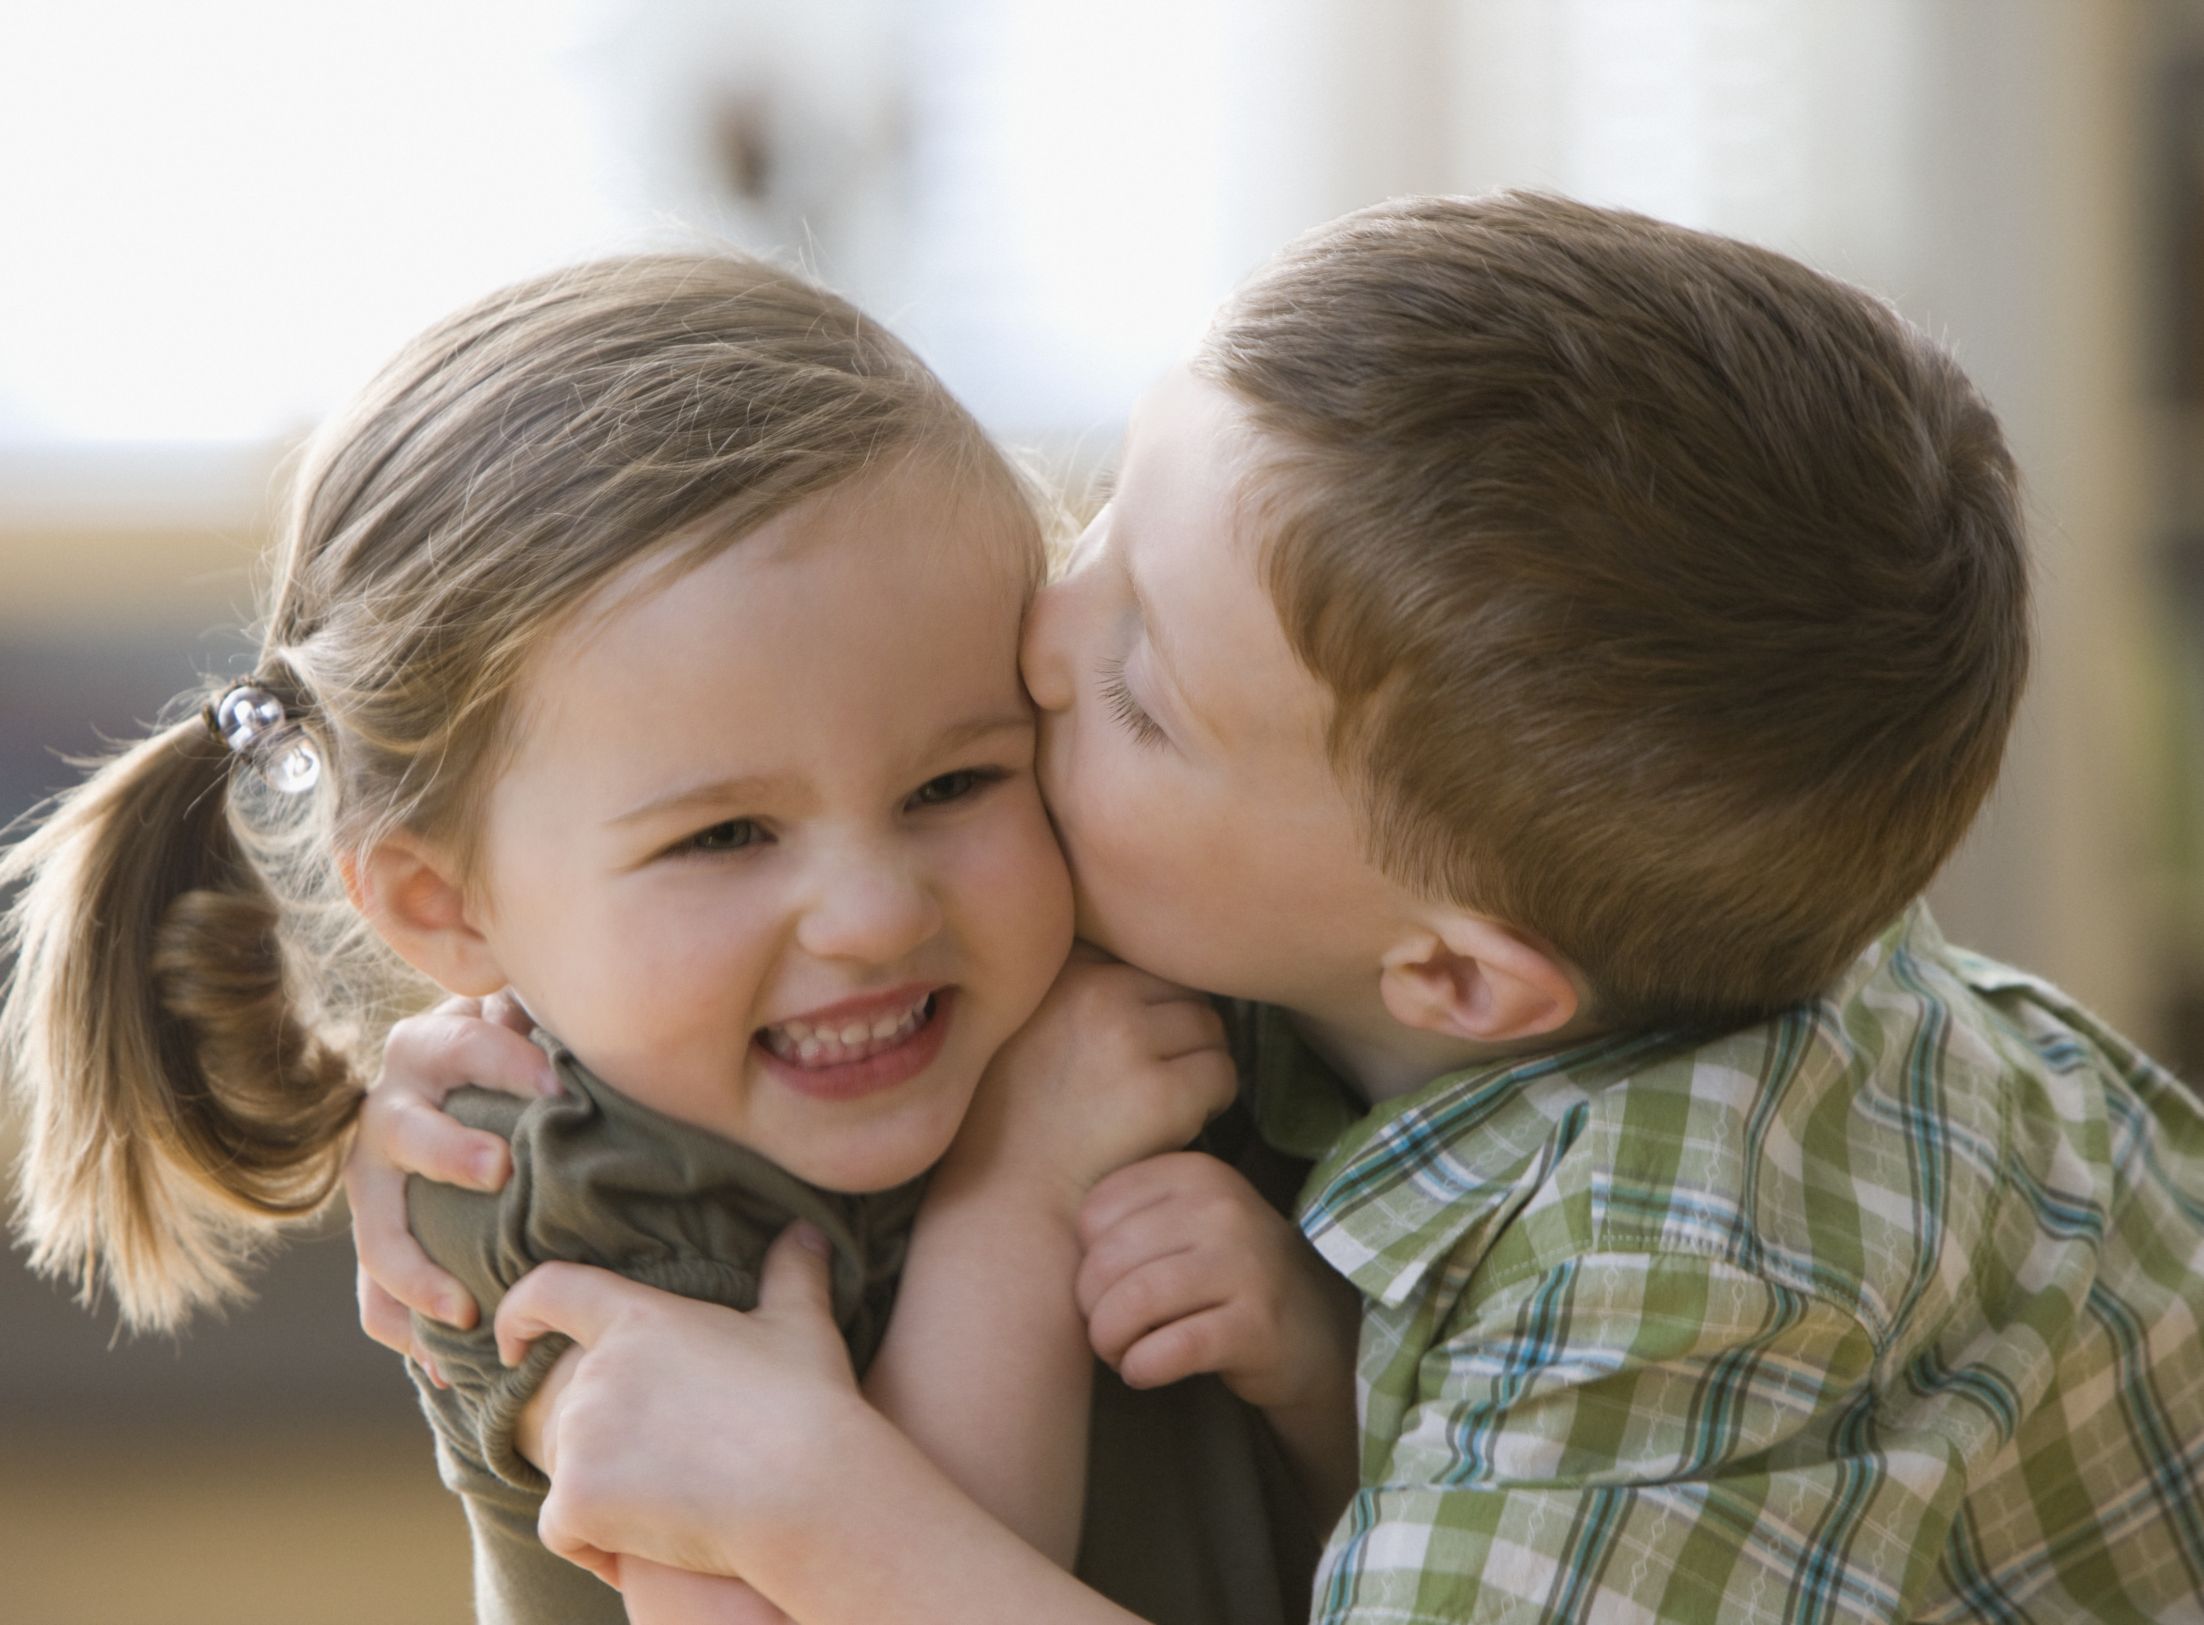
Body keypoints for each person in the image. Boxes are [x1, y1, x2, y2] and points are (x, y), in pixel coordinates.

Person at [357, 193, 2204, 1623]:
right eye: (1106, 529)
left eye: (1146, 690)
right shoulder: (1595, 870)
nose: (1043, 643)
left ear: (1458, 975)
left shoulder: (1683, 1288)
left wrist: (830, 1509)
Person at [0, 253, 1335, 1623]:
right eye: (726, 836)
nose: (876, 912)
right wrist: (1023, 1187)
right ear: (442, 903)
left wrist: (1312, 1357)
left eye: (954, 784)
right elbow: (874, 1575)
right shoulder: (561, 1202)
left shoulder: (1105, 1000)